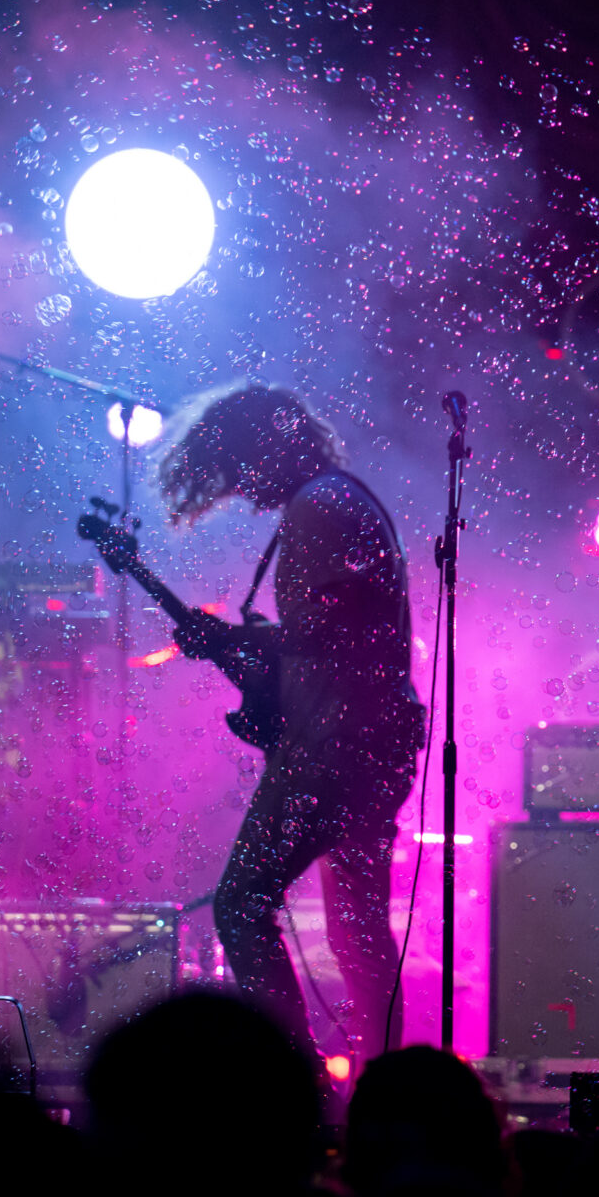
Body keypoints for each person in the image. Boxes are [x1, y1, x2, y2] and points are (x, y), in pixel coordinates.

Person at [157, 384, 425, 1058]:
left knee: (242, 905)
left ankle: (300, 1088)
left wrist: (234, 641)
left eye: (246, 466)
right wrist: (238, 643)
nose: (245, 487)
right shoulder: (341, 498)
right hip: (371, 742)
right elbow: (338, 633)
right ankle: (382, 1084)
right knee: (358, 928)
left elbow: (325, 638)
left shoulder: (319, 507)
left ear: (271, 447)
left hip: (333, 747)